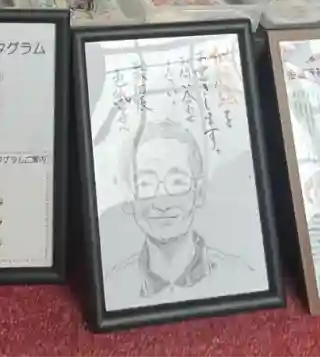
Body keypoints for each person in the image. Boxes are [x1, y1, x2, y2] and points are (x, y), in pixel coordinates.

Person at [106, 122, 255, 303]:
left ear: (199, 193)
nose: (162, 203)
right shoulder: (111, 289)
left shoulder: (242, 279)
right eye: (146, 183)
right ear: (129, 198)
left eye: (177, 182)